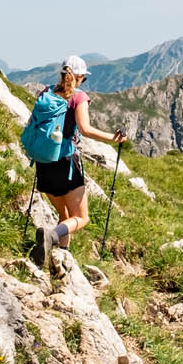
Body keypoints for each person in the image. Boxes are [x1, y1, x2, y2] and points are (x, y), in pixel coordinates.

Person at [33, 55, 125, 262]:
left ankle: (60, 255)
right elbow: (85, 129)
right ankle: (51, 236)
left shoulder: (46, 92)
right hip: (65, 162)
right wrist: (113, 138)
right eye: (84, 78)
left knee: (66, 215)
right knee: (82, 217)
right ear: (80, 76)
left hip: (43, 161)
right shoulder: (78, 97)